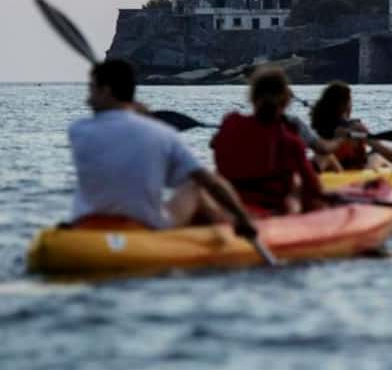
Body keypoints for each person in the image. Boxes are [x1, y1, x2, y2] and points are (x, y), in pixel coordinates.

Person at [68, 59, 257, 238]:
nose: (88, 99)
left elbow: (118, 132)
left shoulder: (78, 131)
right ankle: (230, 226)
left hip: (87, 223)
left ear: (106, 91)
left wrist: (136, 112)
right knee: (194, 185)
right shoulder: (162, 134)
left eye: (91, 90)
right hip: (146, 225)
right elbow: (210, 183)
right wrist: (243, 218)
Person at [211, 66, 326, 216]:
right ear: (286, 101)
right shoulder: (290, 142)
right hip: (269, 212)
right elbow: (313, 190)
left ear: (252, 98)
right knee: (295, 196)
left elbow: (214, 145)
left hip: (226, 207)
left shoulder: (230, 124)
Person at [310, 81, 392, 170]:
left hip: (332, 170)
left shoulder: (320, 126)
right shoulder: (355, 127)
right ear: (345, 104)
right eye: (350, 101)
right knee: (376, 156)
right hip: (355, 175)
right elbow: (385, 151)